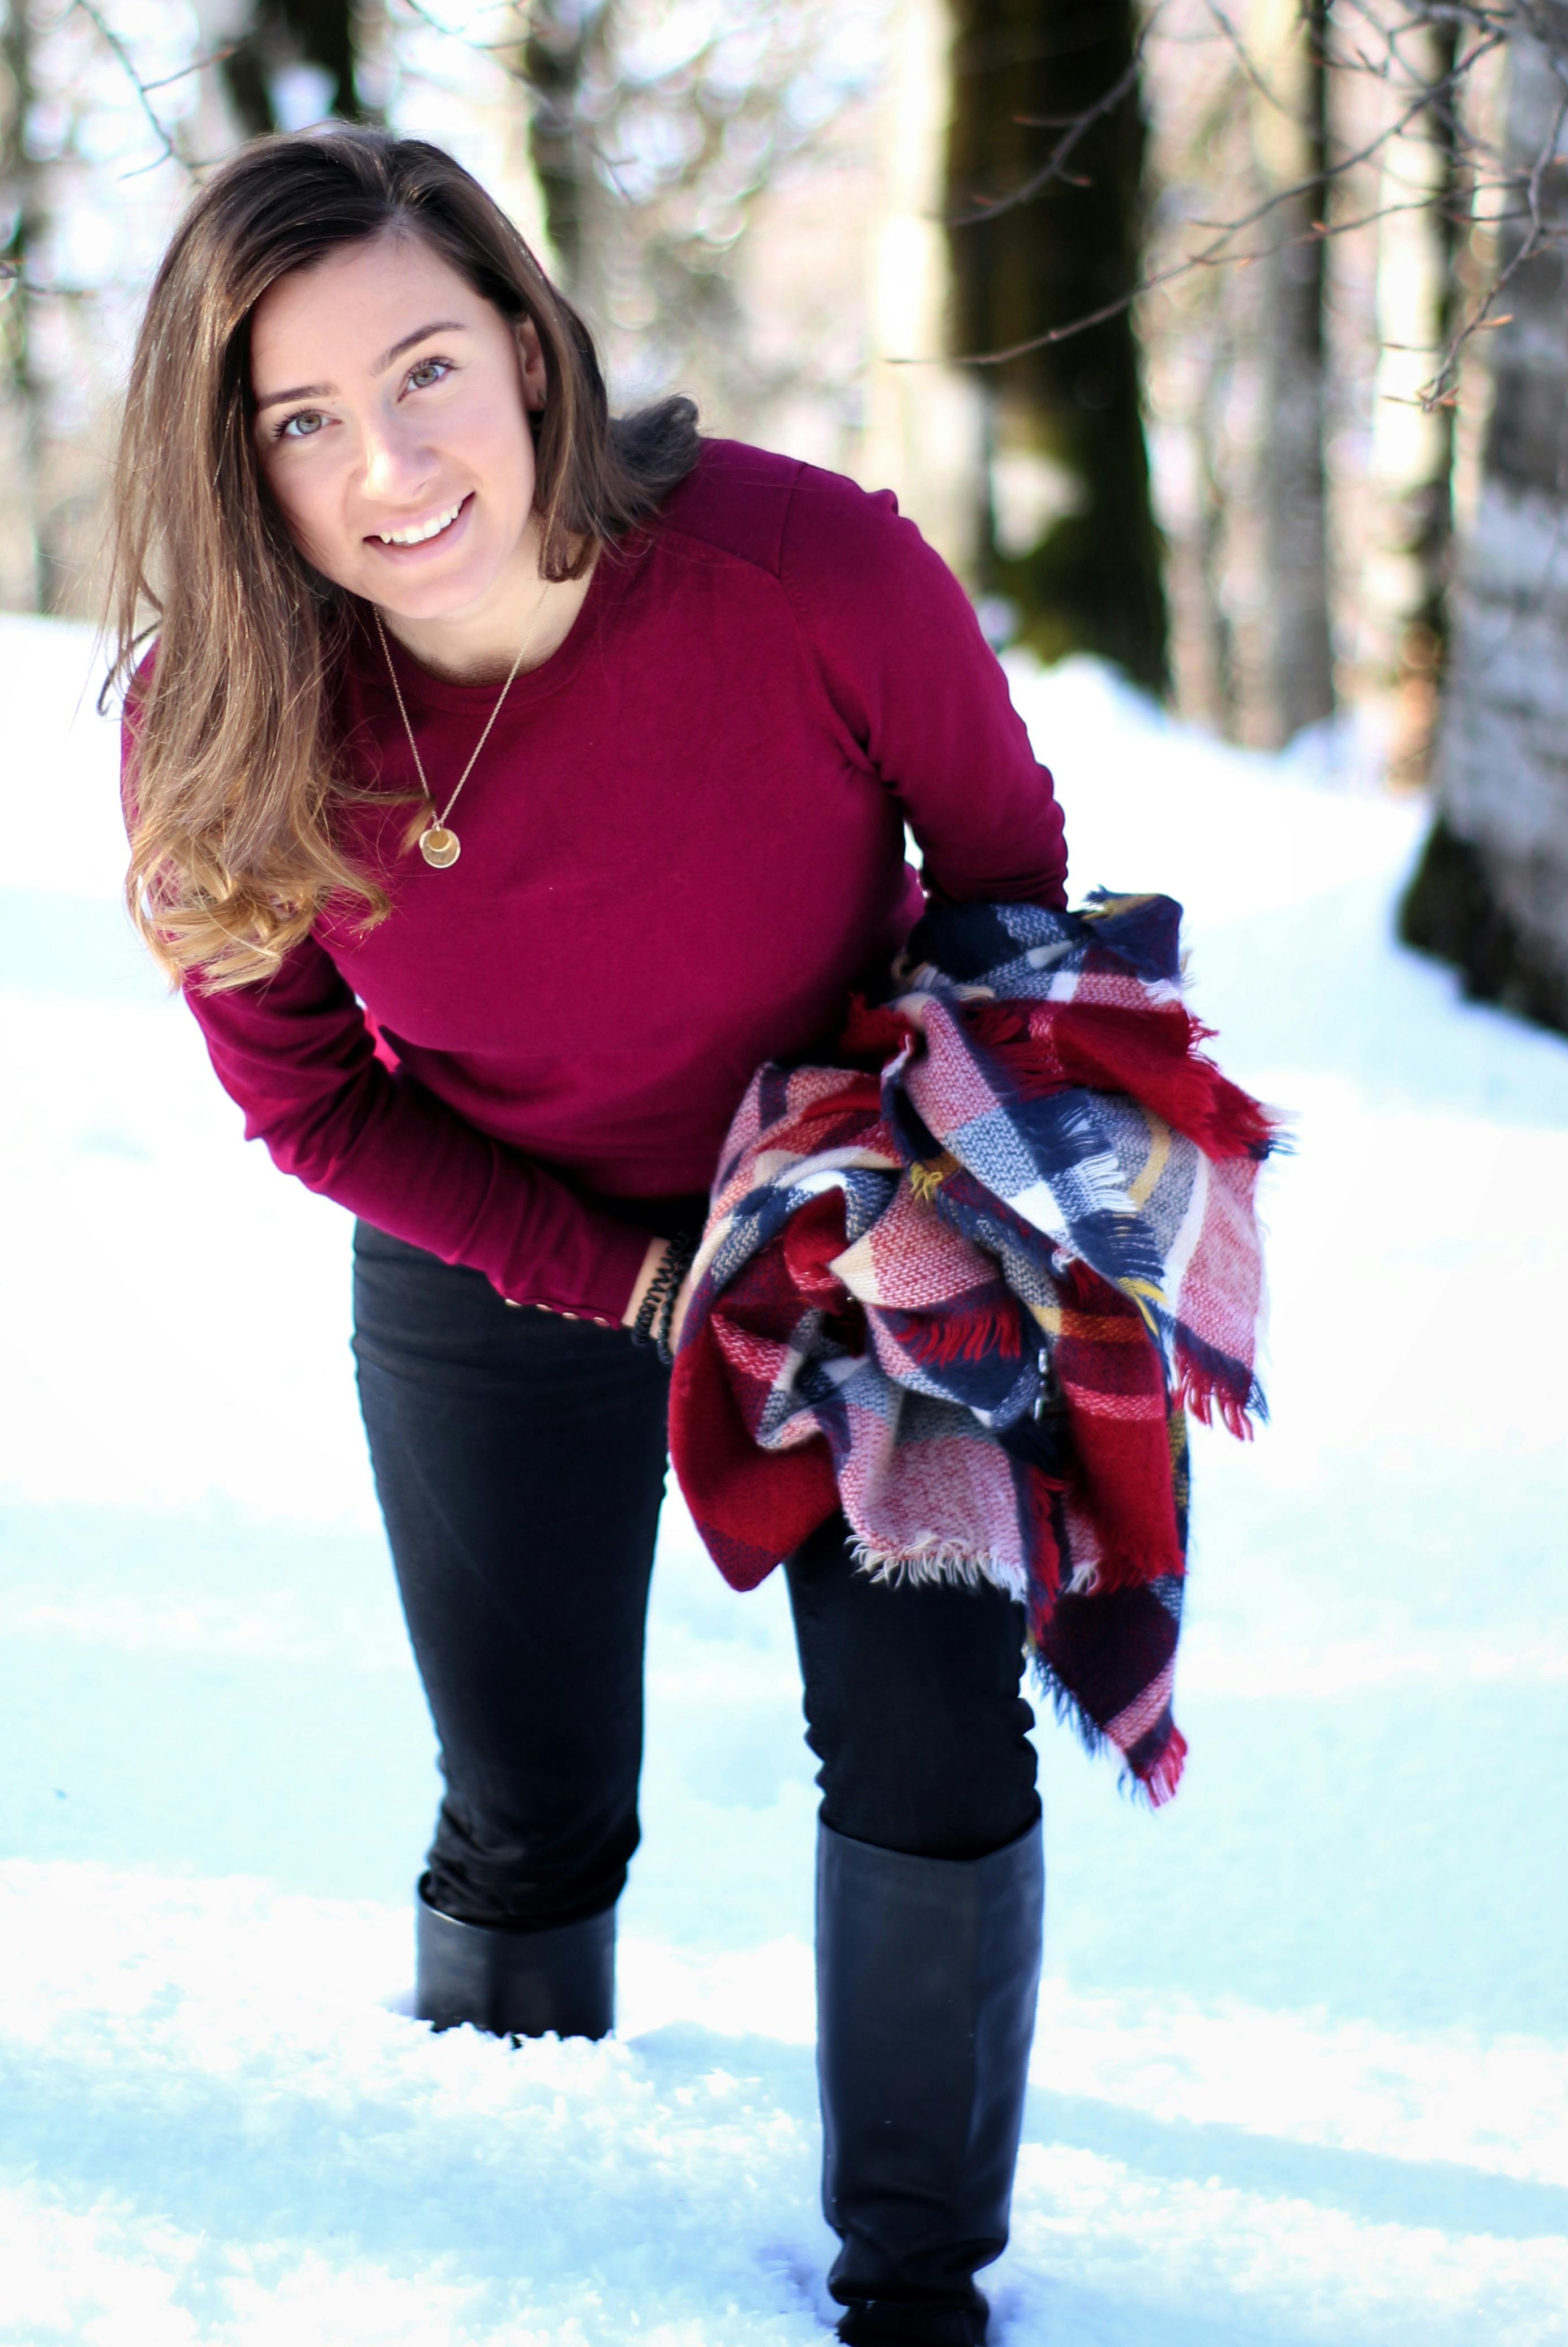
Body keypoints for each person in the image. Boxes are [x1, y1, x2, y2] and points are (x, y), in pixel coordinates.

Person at [108, 127, 1069, 2347]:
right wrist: (634, 1281)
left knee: (933, 1747)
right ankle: (506, 2251)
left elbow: (1009, 877)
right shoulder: (223, 721)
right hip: (493, 1246)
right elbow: (304, 1093)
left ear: (533, 348)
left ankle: (919, 2285)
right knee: (530, 1807)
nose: (389, 460)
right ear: (239, 463)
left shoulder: (803, 571)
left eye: (426, 368)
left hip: (858, 1235)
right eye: (304, 418)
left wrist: (919, 1184)